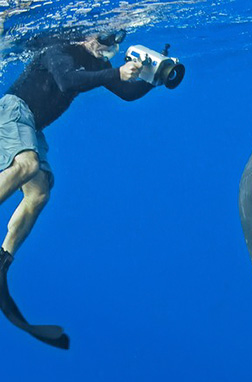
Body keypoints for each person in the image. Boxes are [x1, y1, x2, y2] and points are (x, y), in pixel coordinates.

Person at [0, 29, 153, 349]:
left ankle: (3, 259)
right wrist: (115, 71)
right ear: (86, 36)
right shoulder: (60, 49)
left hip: (32, 125)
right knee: (26, 166)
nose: (111, 46)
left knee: (39, 193)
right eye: (106, 39)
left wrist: (155, 78)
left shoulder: (92, 62)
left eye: (115, 41)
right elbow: (68, 81)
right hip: (13, 111)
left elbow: (126, 93)